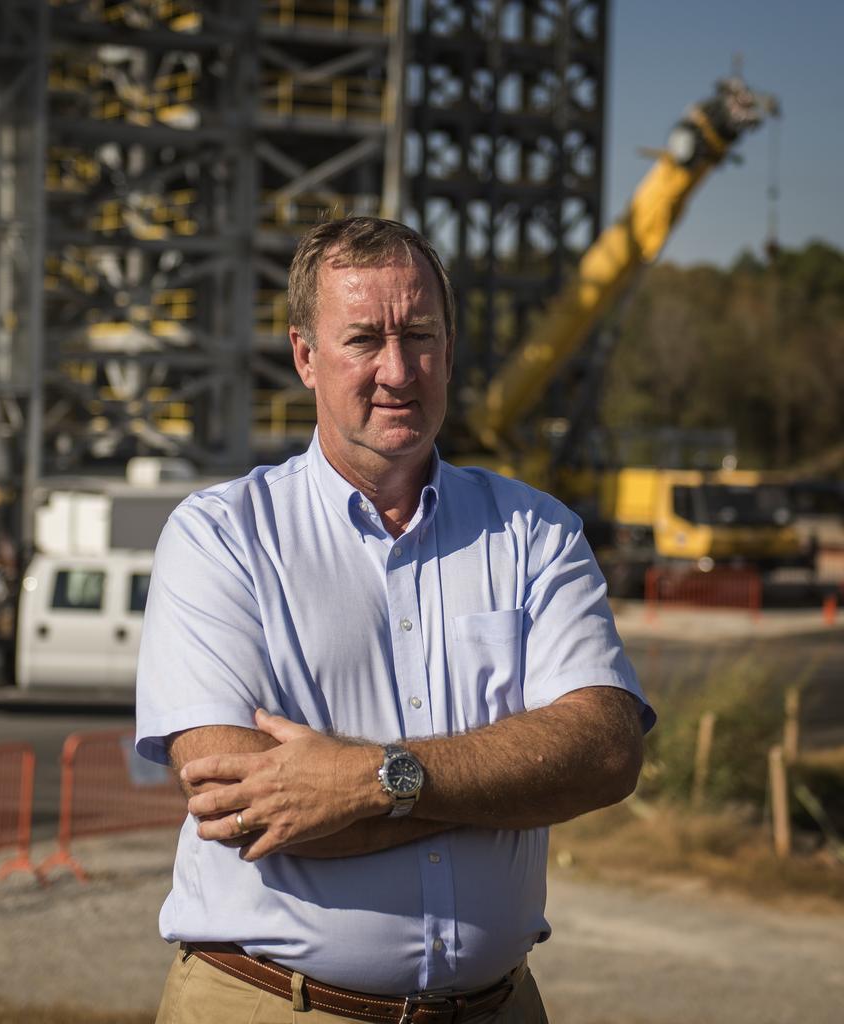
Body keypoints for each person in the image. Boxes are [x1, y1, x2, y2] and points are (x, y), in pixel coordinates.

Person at [135, 217, 654, 1024]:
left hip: (498, 1007)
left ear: (450, 348)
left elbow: (607, 752)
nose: (398, 369)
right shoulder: (221, 538)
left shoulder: (536, 531)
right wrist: (508, 781)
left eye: (420, 335)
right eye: (364, 340)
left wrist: (371, 781)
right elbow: (241, 806)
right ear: (305, 355)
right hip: (275, 1005)